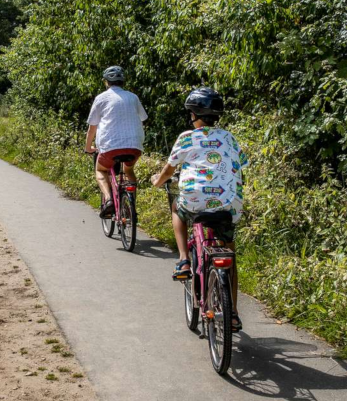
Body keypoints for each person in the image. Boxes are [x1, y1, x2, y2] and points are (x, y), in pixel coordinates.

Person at [151, 87, 246, 330]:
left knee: (176, 207)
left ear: (194, 114)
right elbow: (240, 165)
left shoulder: (186, 138)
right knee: (230, 253)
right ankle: (232, 312)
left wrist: (157, 182)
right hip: (229, 203)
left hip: (194, 200)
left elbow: (169, 170)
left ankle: (183, 259)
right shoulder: (230, 137)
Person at [84, 65, 148, 218]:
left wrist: (88, 147)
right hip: (135, 146)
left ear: (106, 82)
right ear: (122, 81)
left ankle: (108, 200)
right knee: (128, 170)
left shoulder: (101, 98)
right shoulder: (133, 97)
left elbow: (92, 127)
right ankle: (131, 202)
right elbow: (143, 118)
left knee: (101, 170)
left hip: (110, 147)